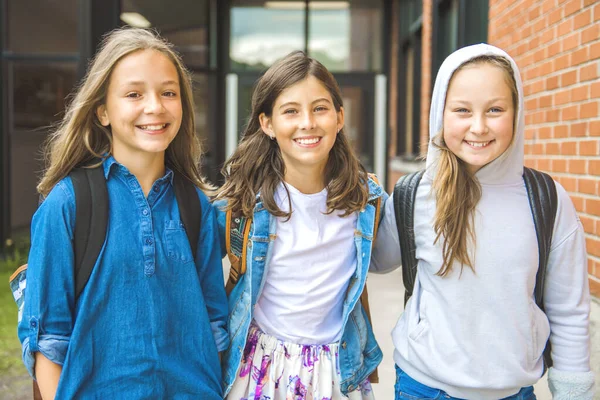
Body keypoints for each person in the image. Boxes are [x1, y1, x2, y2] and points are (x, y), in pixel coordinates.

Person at [371, 43, 595, 399]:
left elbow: (568, 309)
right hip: (422, 387)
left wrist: (572, 391)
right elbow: (378, 259)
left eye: (494, 109)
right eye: (462, 110)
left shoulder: (546, 198)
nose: (478, 126)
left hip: (514, 391)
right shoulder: (416, 194)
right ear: (440, 113)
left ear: (516, 112)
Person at [17, 28, 228, 399]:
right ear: (102, 111)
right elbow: (48, 340)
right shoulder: (68, 204)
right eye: (134, 94)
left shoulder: (196, 205)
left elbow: (214, 326)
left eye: (168, 92)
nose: (155, 107)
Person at [215, 51, 383, 399]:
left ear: (339, 118)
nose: (307, 122)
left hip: (336, 367)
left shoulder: (366, 200)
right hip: (259, 367)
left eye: (320, 108)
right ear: (267, 124)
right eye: (290, 111)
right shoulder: (242, 203)